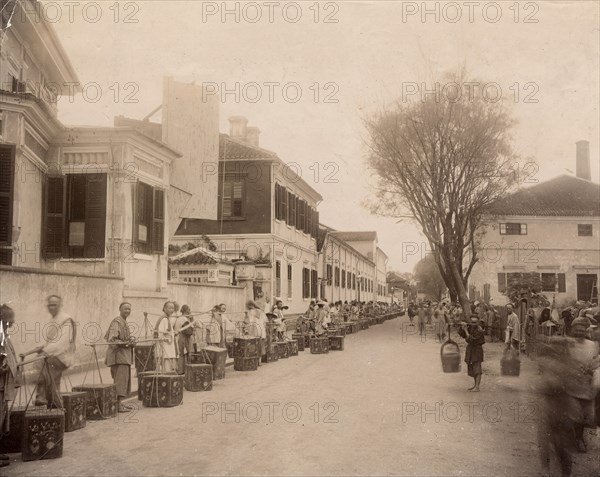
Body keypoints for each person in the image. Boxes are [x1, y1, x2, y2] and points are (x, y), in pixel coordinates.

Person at [21, 295, 76, 408]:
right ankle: (57, 410)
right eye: (50, 305)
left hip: (61, 356)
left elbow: (61, 343)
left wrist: (44, 352)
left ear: (60, 305)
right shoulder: (53, 320)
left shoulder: (66, 319)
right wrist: (27, 353)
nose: (52, 307)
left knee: (42, 369)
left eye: (54, 305)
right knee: (53, 384)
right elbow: (46, 342)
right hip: (52, 355)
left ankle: (41, 397)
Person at [564, 316, 599, 453]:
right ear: (572, 330)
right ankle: (575, 438)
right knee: (573, 414)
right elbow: (563, 360)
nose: (579, 332)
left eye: (582, 330)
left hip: (587, 385)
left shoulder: (592, 345)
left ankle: (578, 437)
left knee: (586, 416)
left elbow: (597, 361)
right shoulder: (567, 344)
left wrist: (591, 369)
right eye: (576, 330)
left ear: (586, 331)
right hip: (571, 384)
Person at [105, 302, 136, 412]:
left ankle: (120, 403)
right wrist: (126, 343)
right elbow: (112, 340)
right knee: (120, 380)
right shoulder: (116, 322)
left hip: (124, 356)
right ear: (120, 309)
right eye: (125, 309)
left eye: (129, 309)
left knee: (124, 381)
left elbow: (124, 339)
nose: (127, 311)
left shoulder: (124, 322)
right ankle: (118, 406)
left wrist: (130, 341)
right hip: (118, 357)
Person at [0, 304, 19, 467]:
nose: (11, 324)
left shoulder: (5, 336)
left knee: (1, 418)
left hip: (3, 386)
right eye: (8, 321)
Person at [458, 315, 485, 392]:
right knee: (472, 367)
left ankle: (477, 387)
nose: (473, 324)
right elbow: (462, 335)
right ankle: (475, 385)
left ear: (478, 322)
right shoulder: (471, 328)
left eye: (475, 322)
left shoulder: (479, 330)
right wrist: (462, 327)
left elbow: (471, 340)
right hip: (471, 349)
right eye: (472, 322)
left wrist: (466, 330)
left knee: (477, 368)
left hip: (477, 349)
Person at [154, 301, 178, 373]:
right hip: (165, 348)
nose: (171, 310)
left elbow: (167, 332)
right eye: (169, 308)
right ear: (164, 308)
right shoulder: (164, 319)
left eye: (173, 308)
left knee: (168, 367)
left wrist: (173, 333)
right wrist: (169, 338)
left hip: (167, 348)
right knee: (166, 368)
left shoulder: (167, 318)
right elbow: (161, 334)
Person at [174, 304, 196, 374]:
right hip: (182, 338)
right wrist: (192, 321)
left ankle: (182, 370)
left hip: (180, 337)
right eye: (189, 309)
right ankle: (182, 371)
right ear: (186, 310)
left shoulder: (180, 318)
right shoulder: (183, 319)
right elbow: (188, 331)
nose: (190, 311)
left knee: (182, 354)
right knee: (183, 354)